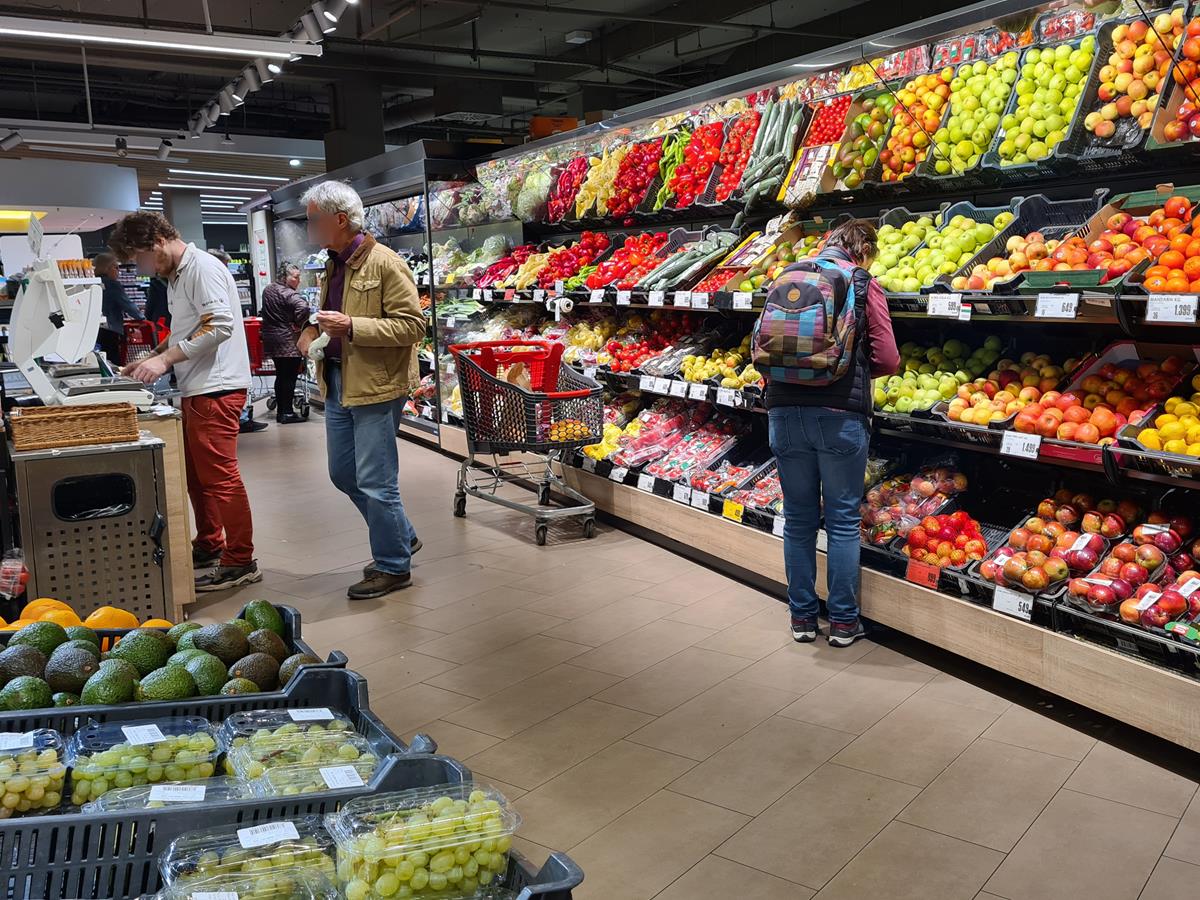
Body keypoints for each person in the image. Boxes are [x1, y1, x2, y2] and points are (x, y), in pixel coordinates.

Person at [108, 212, 262, 592]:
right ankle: (210, 544)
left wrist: (164, 361)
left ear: (158, 242)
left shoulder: (201, 269)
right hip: (199, 387)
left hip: (217, 388)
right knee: (198, 476)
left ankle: (241, 560)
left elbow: (220, 326)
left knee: (221, 478)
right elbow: (187, 330)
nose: (142, 269)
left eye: (141, 258)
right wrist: (151, 357)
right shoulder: (177, 275)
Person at [764, 219, 899, 647]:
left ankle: (802, 618)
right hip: (839, 414)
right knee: (841, 522)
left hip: (783, 411)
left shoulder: (788, 276)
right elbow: (888, 358)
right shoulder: (861, 281)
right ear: (864, 251)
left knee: (798, 519)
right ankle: (843, 623)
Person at [297, 181, 424, 600]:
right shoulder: (333, 263)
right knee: (343, 473)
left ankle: (393, 565)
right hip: (336, 380)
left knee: (375, 480)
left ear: (339, 220)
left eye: (313, 220)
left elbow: (413, 327)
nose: (308, 228)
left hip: (376, 385)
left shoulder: (385, 263)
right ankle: (401, 534)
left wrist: (353, 326)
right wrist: (310, 331)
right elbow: (326, 316)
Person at [261, 262, 309, 424]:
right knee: (289, 377)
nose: (298, 280)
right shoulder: (289, 293)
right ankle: (287, 413)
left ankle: (281, 412)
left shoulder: (268, 289)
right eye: (295, 277)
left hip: (272, 339)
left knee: (280, 376)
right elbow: (303, 307)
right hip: (288, 340)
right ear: (284, 277)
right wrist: (299, 323)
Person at [93, 252, 145, 367]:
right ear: (106, 268)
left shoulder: (91, 282)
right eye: (116, 267)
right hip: (111, 330)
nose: (118, 271)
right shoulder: (112, 285)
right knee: (113, 362)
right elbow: (128, 305)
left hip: (94, 330)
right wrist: (141, 317)